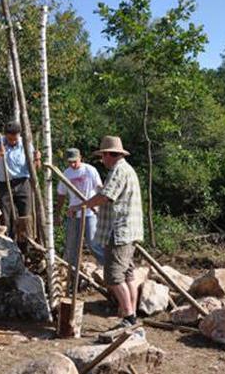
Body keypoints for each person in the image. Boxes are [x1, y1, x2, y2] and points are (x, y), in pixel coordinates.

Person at [79, 136, 143, 329]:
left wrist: (86, 204)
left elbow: (107, 196)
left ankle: (129, 317)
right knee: (128, 274)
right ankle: (128, 313)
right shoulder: (125, 170)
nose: (102, 160)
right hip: (128, 230)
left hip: (119, 231)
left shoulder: (118, 170)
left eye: (102, 156)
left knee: (114, 276)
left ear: (109, 155)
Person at [0, 121, 40, 238]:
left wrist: (37, 160)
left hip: (23, 182)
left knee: (26, 217)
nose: (13, 142)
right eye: (10, 139)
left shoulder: (26, 144)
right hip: (4, 184)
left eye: (15, 139)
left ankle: (25, 248)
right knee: (5, 216)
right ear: (5, 136)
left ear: (19, 135)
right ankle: (7, 243)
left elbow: (34, 169)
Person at [56, 148, 105, 266]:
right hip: (74, 212)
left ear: (80, 158)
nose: (72, 164)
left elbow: (100, 189)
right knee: (72, 244)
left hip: (90, 212)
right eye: (70, 162)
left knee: (92, 243)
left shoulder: (90, 170)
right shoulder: (66, 173)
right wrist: (58, 213)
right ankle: (72, 269)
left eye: (75, 161)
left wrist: (100, 206)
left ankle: (107, 265)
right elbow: (61, 194)